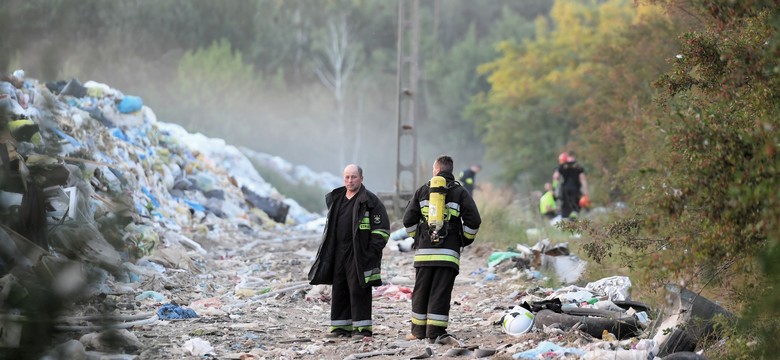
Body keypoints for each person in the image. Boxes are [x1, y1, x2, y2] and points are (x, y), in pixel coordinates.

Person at [403, 155, 481, 340]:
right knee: (440, 292)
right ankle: (435, 332)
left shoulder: (422, 190)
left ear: (436, 170)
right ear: (450, 170)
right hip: (448, 254)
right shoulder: (460, 192)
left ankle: (417, 332)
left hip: (424, 253)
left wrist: (419, 237)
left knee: (421, 290)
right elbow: (474, 221)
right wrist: (463, 240)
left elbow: (408, 220)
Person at [308, 164, 390, 339]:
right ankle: (340, 327)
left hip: (359, 253)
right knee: (339, 288)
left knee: (358, 289)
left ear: (361, 178)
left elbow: (382, 230)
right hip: (338, 252)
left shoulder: (370, 201)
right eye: (347, 177)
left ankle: (362, 329)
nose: (350, 180)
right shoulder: (337, 199)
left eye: (353, 177)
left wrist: (370, 252)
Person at [552, 152, 588, 218]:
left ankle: (566, 223)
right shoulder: (578, 167)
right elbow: (583, 179)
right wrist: (586, 193)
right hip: (575, 190)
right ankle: (574, 222)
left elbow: (556, 176)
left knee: (565, 208)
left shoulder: (562, 166)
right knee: (576, 207)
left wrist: (554, 189)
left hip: (565, 191)